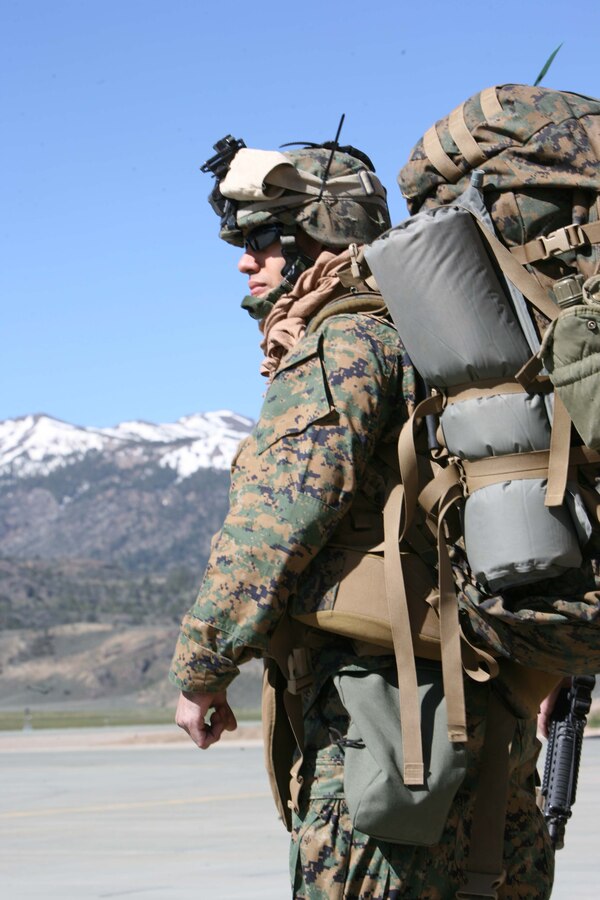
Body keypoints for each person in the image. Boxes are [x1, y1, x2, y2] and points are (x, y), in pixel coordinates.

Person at [169, 138, 554, 899]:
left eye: (259, 239)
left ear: (320, 233)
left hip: (386, 731)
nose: (246, 263)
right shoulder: (458, 341)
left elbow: (276, 517)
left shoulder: (345, 337)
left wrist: (202, 668)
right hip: (492, 712)